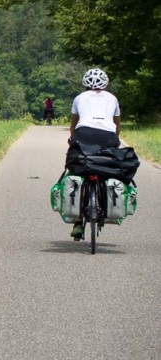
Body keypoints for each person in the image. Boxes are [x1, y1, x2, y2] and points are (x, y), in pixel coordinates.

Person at [67, 68, 121, 240]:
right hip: (108, 137)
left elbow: (74, 125)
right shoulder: (112, 98)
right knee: (106, 166)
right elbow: (116, 124)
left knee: (77, 169)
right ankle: (106, 204)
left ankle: (77, 220)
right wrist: (115, 141)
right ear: (105, 83)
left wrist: (72, 139)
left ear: (85, 84)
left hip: (83, 135)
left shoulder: (79, 98)